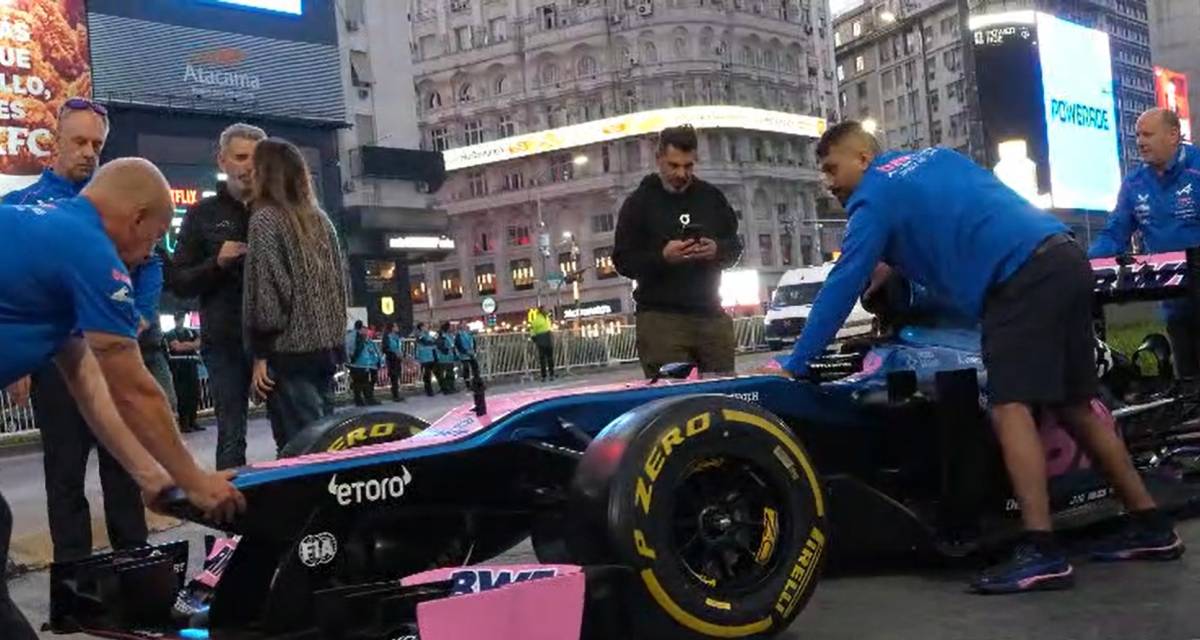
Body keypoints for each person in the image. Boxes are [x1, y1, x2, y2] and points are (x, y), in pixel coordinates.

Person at [781, 121, 1182, 594]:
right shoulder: (934, 158)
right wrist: (893, 260)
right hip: (1063, 257)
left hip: (1019, 279)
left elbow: (843, 281)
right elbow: (956, 222)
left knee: (1009, 405)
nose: (829, 183)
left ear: (863, 159)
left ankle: (1040, 551)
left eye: (832, 169)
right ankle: (1152, 524)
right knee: (1075, 403)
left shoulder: (873, 195)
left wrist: (796, 364)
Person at [0, 158, 246, 639]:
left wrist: (149, 474)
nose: (144, 256)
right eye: (153, 238)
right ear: (135, 218)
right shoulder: (91, 249)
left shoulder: (53, 232)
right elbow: (132, 385)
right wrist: (193, 479)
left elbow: (86, 378)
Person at [1, 98, 161, 564]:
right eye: (80, 141)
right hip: (55, 363)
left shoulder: (116, 207)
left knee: (123, 469)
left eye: (98, 144)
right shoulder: (22, 204)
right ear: (55, 140)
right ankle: (72, 583)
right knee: (65, 473)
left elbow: (150, 267)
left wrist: (140, 317)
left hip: (110, 358)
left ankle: (136, 571)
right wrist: (18, 363)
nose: (89, 152)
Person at [171, 123, 267, 469]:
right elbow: (179, 281)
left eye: (256, 159)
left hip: (277, 341)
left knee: (295, 428)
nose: (249, 167)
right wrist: (218, 263)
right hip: (224, 341)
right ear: (223, 160)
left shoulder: (279, 211)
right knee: (230, 434)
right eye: (241, 157)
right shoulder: (202, 215)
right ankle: (232, 518)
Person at [243, 138, 349, 452]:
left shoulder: (265, 220)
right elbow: (338, 288)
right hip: (326, 351)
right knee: (325, 441)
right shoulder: (321, 220)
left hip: (287, 354)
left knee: (297, 448)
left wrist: (260, 354)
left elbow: (268, 293)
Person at [612, 124, 742, 378]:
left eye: (688, 166)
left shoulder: (711, 197)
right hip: (661, 318)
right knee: (674, 399)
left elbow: (735, 247)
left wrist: (716, 250)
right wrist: (663, 257)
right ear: (659, 159)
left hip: (710, 314)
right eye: (673, 165)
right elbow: (623, 260)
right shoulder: (638, 203)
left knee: (723, 396)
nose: (681, 173)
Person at [1088, 108, 1200, 377]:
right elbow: (1115, 233)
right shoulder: (1134, 183)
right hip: (1176, 303)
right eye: (1138, 135)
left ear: (1173, 135)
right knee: (1189, 383)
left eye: (1147, 134)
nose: (1140, 141)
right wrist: (1086, 263)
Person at [165, 313, 203, 433]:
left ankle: (193, 420)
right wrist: (190, 345)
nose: (180, 320)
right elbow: (176, 348)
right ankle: (184, 423)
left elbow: (199, 343)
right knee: (182, 395)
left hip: (191, 365)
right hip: (178, 367)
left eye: (181, 318)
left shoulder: (191, 332)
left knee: (195, 393)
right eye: (178, 318)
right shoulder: (171, 333)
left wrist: (185, 345)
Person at [346, 320, 382, 406]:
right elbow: (359, 351)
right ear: (361, 328)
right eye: (365, 329)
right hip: (360, 364)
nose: (366, 331)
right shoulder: (359, 337)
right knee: (363, 382)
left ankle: (360, 400)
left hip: (356, 364)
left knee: (358, 383)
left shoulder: (350, 336)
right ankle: (368, 400)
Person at [528, 306, 555, 381]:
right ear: (542, 311)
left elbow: (532, 330)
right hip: (545, 338)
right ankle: (550, 374)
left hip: (542, 339)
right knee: (548, 358)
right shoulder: (543, 318)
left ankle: (545, 375)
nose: (547, 311)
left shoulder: (539, 319)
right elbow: (547, 328)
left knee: (543, 359)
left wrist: (534, 338)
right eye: (545, 310)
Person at [381, 322, 405, 401]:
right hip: (391, 359)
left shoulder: (397, 337)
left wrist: (401, 354)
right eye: (395, 326)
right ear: (392, 328)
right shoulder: (387, 337)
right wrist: (394, 354)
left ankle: (396, 393)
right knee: (394, 376)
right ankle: (395, 395)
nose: (397, 327)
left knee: (397, 376)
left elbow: (398, 347)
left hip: (398, 359)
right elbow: (385, 349)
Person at [435, 321, 459, 394]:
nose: (452, 328)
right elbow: (440, 346)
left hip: (450, 357)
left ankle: (450, 387)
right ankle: (446, 388)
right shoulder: (442, 336)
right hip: (444, 357)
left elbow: (453, 345)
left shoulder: (450, 336)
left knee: (450, 373)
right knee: (445, 373)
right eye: (450, 327)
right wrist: (447, 350)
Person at [414, 322, 437, 397]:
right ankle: (428, 390)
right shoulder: (420, 335)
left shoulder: (428, 334)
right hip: (424, 356)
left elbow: (434, 342)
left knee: (429, 373)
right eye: (425, 326)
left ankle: (429, 388)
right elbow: (426, 342)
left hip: (430, 356)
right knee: (427, 374)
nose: (427, 327)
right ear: (421, 327)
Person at [455, 324, 481, 390]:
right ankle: (468, 384)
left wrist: (474, 351)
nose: (467, 328)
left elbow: (473, 343)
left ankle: (476, 383)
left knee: (475, 368)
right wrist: (466, 352)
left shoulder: (470, 335)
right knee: (466, 369)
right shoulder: (459, 335)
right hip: (464, 355)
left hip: (471, 354)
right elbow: (458, 345)